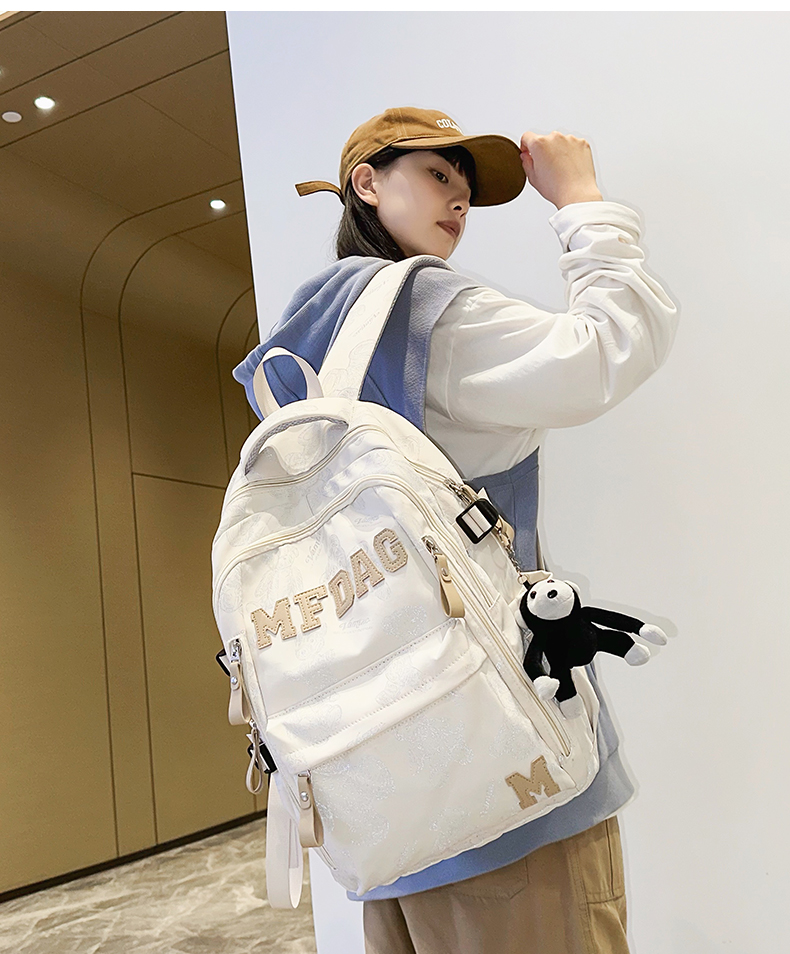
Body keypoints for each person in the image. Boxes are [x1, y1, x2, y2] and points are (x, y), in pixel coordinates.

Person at [232, 106, 678, 954]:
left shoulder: (303, 356)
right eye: (438, 173)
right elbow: (611, 347)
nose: (459, 199)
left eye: (465, 186)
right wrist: (582, 202)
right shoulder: (427, 312)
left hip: (381, 804)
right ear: (367, 183)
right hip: (513, 792)